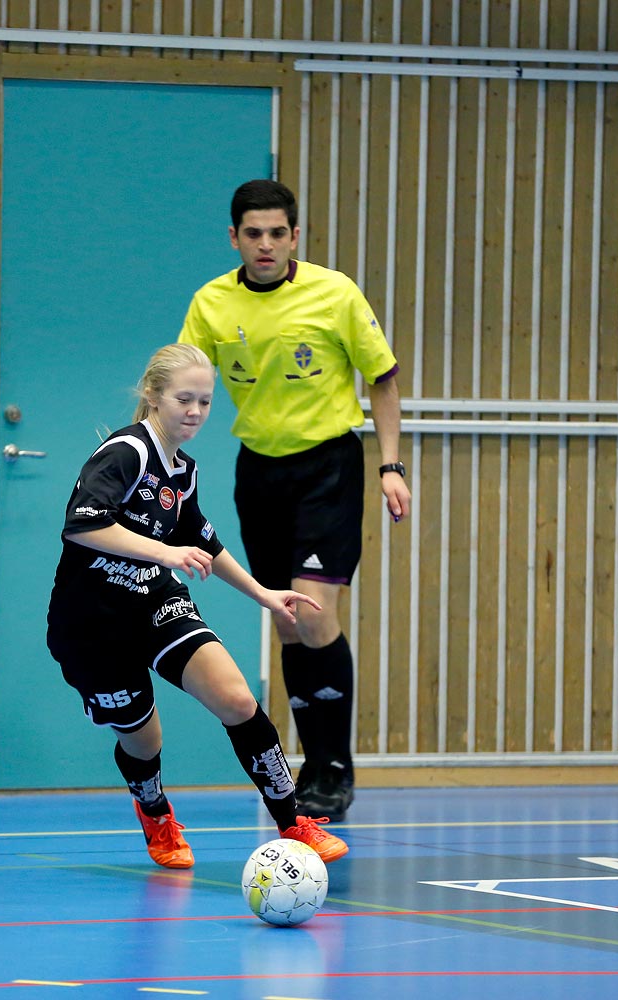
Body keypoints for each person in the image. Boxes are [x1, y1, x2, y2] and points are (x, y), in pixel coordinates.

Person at [46, 343, 349, 869]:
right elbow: (84, 523)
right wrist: (164, 551)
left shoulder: (181, 470)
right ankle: (155, 811)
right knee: (144, 741)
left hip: (154, 601)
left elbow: (203, 540)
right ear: (152, 396)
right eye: (184, 399)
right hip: (90, 625)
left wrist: (264, 594)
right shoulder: (126, 453)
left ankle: (292, 821)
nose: (195, 412)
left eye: (206, 402)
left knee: (236, 698)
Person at [178, 179, 412, 822]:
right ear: (234, 238)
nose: (265, 244)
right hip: (259, 472)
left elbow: (383, 376)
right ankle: (310, 766)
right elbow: (184, 383)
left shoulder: (333, 293)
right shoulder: (212, 303)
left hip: (328, 466)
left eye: (277, 233)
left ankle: (333, 768)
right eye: (252, 233)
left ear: (294, 237)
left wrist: (390, 465)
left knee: (312, 613)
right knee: (284, 617)